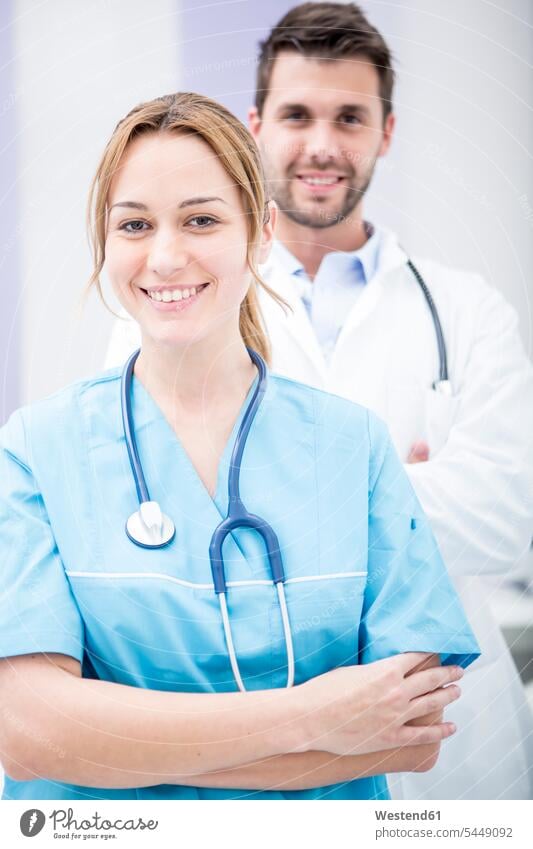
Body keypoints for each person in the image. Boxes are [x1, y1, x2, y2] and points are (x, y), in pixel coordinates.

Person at [105, 4, 533, 800]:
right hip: (258, 733)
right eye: (298, 115)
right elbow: (149, 508)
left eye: (350, 117)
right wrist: (391, 488)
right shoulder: (175, 297)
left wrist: (269, 478)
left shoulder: (468, 312)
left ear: (387, 132)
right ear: (257, 125)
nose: (322, 145)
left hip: (455, 757)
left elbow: (509, 516)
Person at [0, 92, 479, 801]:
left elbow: (407, 733)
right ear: (105, 242)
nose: (165, 256)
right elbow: (28, 732)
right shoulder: (38, 447)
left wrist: (110, 741)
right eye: (134, 224)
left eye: (200, 219)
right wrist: (319, 716)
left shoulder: (353, 447)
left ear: (260, 233)